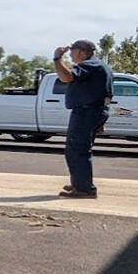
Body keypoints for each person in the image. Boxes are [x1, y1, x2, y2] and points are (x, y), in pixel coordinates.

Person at [52, 39, 113, 198]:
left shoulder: (88, 65)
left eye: (72, 51)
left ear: (81, 52)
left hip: (86, 112)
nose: (71, 55)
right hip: (95, 111)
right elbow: (107, 93)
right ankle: (79, 183)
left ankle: (85, 189)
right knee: (78, 149)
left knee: (77, 150)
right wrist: (100, 119)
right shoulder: (101, 65)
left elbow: (67, 77)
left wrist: (57, 58)